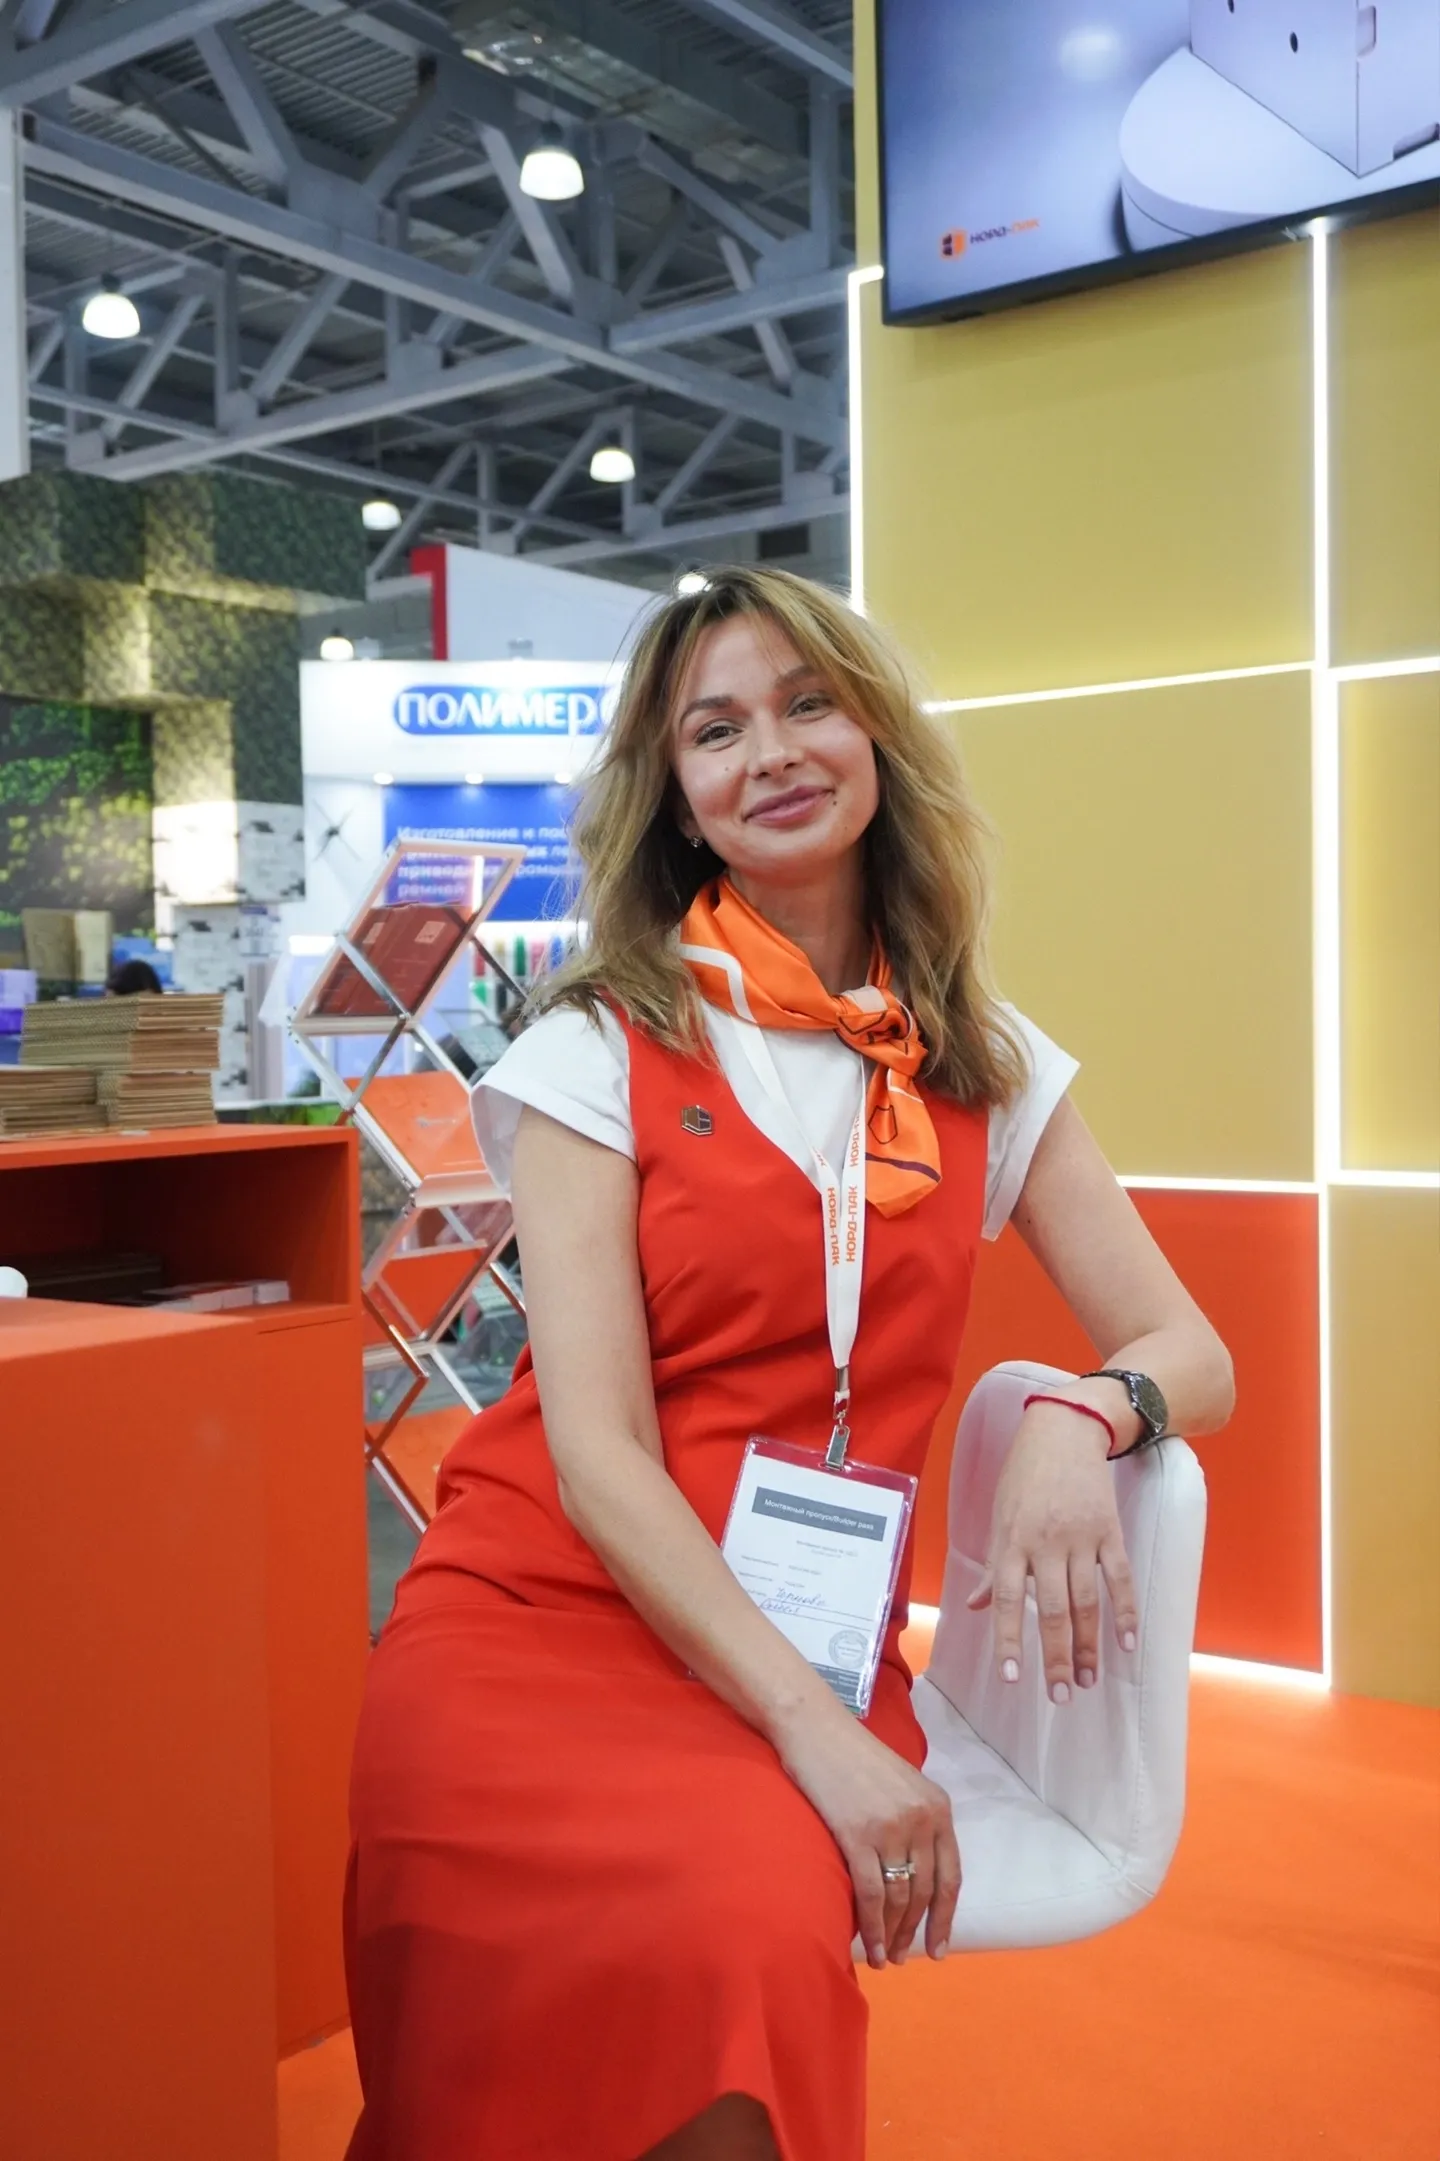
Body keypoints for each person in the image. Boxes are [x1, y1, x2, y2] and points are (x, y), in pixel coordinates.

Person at [343, 568, 1234, 2161]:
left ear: (874, 732)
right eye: (717, 729)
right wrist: (812, 1731)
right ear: (676, 793)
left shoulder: (982, 1058)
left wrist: (1082, 1414)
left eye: (807, 704)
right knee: (565, 1989)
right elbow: (597, 1452)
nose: (770, 753)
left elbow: (1191, 1350)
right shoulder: (596, 1046)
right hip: (543, 1620)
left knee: (738, 1942)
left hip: (804, 1638)